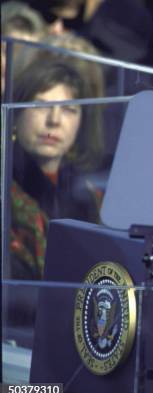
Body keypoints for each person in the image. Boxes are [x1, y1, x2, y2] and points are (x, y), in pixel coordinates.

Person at [9, 59, 103, 281]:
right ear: (16, 113)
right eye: (41, 106)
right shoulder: (6, 187)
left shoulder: (91, 197)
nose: (54, 121)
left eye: (69, 110)